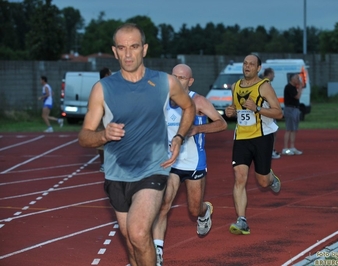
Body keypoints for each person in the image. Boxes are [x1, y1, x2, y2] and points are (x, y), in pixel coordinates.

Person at [78, 23, 195, 266]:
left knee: (140, 233)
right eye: (122, 48)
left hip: (153, 168)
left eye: (134, 47)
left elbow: (189, 106)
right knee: (131, 241)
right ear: (115, 51)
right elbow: (84, 136)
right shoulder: (102, 89)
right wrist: (103, 135)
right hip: (117, 173)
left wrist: (179, 137)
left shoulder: (165, 82)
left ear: (144, 49)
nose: (128, 54)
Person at [152, 64, 227, 265]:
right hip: (170, 162)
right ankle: (157, 252)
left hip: (194, 163)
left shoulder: (199, 101)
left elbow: (222, 123)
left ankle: (205, 211)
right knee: (163, 205)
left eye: (182, 78)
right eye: (174, 76)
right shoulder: (162, 100)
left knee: (194, 210)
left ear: (190, 81)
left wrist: (198, 128)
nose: (177, 81)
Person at [224, 54, 282, 235]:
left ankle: (270, 177)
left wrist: (257, 108)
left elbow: (278, 113)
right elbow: (235, 110)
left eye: (251, 64)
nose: (247, 67)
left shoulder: (264, 87)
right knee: (239, 176)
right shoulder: (235, 87)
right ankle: (242, 220)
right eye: (245, 63)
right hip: (241, 137)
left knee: (262, 181)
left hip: (262, 136)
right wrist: (230, 112)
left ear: (258, 68)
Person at [281, 74, 304, 155]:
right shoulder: (289, 87)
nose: (298, 80)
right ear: (292, 79)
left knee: (294, 129)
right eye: (297, 78)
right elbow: (297, 97)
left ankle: (292, 147)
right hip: (290, 109)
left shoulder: (293, 87)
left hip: (295, 109)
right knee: (289, 129)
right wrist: (300, 88)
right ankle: (285, 148)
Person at [97, 67, 112, 172]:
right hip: (102, 112)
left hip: (107, 112)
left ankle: (106, 163)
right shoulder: (102, 85)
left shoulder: (111, 84)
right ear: (106, 74)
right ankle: (103, 163)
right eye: (110, 72)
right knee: (101, 138)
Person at [263, 67, 280, 159]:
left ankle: (269, 150)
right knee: (272, 131)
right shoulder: (267, 84)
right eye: (273, 74)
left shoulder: (262, 83)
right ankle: (270, 150)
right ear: (269, 74)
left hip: (265, 111)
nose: (274, 76)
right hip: (268, 112)